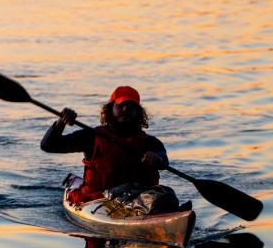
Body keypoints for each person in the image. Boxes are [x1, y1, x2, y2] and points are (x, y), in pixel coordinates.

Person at [41, 85, 179, 214]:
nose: (126, 109)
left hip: (141, 201)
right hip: (98, 200)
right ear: (110, 108)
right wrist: (61, 122)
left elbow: (164, 160)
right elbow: (49, 145)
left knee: (167, 194)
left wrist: (157, 158)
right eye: (121, 105)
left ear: (138, 112)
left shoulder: (151, 143)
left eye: (131, 106)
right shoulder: (92, 137)